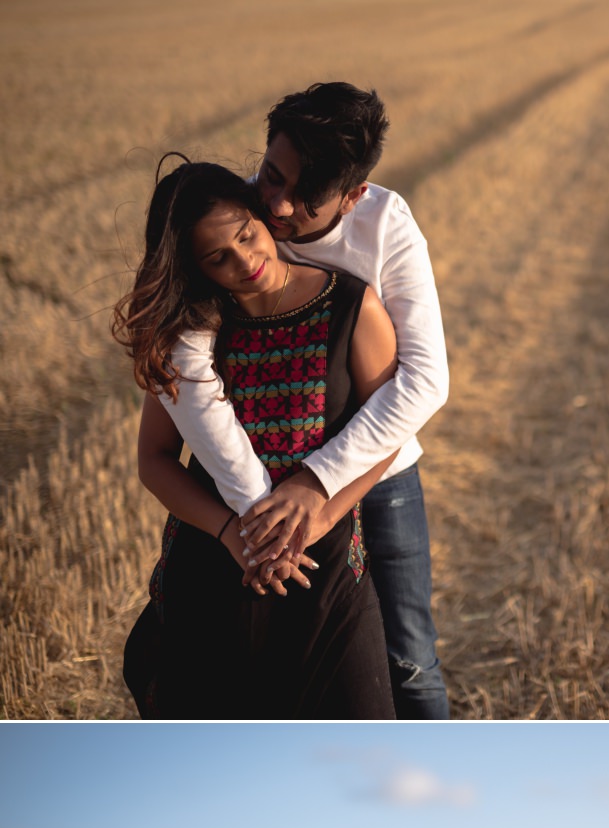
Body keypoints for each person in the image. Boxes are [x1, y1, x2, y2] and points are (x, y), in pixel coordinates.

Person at [160, 82, 451, 719]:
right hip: (258, 489)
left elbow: (426, 381)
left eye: (304, 198)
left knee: (407, 660)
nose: (279, 206)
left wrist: (318, 486)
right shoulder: (241, 213)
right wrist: (257, 512)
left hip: (379, 474)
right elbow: (186, 359)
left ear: (354, 196)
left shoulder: (386, 226)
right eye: (271, 176)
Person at [112, 159, 397, 718]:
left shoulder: (352, 306)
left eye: (247, 235)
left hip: (327, 564)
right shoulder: (187, 334)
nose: (246, 261)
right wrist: (229, 533)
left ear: (264, 218)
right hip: (214, 567)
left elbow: (384, 431)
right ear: (195, 267)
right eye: (218, 257)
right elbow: (155, 460)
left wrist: (319, 514)